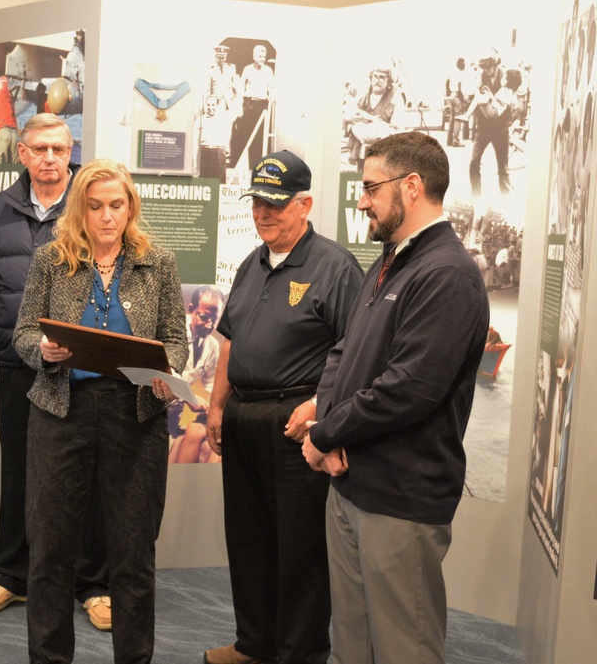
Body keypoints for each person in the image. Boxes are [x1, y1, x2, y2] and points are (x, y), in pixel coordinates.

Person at [302, 132, 489, 663]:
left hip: (401, 499)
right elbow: (345, 350)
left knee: (404, 646)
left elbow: (409, 389)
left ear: (411, 186)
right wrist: (327, 420)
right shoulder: (391, 260)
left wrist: (324, 434)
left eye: (369, 188)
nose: (361, 200)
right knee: (353, 644)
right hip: (350, 483)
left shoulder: (448, 274)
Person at [13, 159, 188, 664]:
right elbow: (24, 332)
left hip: (135, 414)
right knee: (50, 550)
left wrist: (167, 369)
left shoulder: (158, 262)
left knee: (132, 554)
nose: (107, 217)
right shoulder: (51, 260)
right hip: (60, 411)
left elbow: (175, 338)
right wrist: (42, 351)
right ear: (80, 209)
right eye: (95, 207)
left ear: (130, 207)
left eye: (116, 205)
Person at [203, 150, 363, 664]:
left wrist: (319, 405)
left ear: (305, 204)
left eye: (275, 205)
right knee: (248, 541)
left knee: (300, 552)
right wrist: (216, 407)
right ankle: (255, 643)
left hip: (297, 426)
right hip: (245, 418)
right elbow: (229, 341)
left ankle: (298, 653)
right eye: (256, 204)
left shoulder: (335, 267)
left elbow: (357, 353)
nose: (263, 214)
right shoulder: (253, 263)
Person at [0, 113, 113, 632]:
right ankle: (14, 577)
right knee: (19, 473)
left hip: (79, 369)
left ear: (70, 152)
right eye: (40, 149)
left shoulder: (89, 205)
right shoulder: (3, 208)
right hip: (18, 361)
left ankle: (92, 584)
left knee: (85, 477)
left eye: (59, 149)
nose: (50, 158)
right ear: (22, 154)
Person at [168, 285, 223, 464]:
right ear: (191, 310)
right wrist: (189, 396)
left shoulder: (212, 346)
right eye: (204, 317)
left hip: (173, 416)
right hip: (154, 410)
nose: (208, 325)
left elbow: (212, 384)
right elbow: (164, 373)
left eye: (213, 320)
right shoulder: (172, 331)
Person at [467, 50, 509, 196]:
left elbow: (505, 104)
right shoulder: (481, 77)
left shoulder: (505, 78)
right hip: (484, 128)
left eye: (489, 67)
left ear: (495, 64)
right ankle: (476, 197)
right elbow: (477, 100)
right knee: (473, 162)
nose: (486, 70)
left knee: (503, 169)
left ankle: (506, 199)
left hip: (500, 128)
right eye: (483, 67)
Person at [228, 44, 274, 168]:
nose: (262, 59)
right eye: (260, 56)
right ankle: (239, 164)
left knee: (259, 137)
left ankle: (256, 165)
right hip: (248, 105)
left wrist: (270, 95)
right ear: (254, 56)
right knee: (244, 135)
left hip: (261, 106)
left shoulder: (268, 71)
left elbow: (272, 88)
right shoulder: (247, 69)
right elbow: (240, 89)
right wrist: (239, 107)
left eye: (264, 56)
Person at [344, 67, 397, 170]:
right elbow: (347, 114)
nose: (377, 80)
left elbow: (396, 127)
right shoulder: (362, 94)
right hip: (360, 151)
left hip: (383, 154)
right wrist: (358, 120)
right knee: (361, 178)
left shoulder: (395, 97)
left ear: (389, 80)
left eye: (382, 77)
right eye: (375, 76)